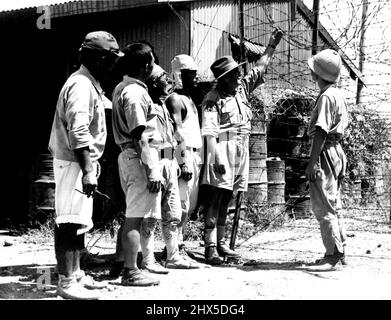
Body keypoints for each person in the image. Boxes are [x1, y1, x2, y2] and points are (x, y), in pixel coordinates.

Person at [48, 31, 123, 299]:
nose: (114, 64)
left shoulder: (88, 82)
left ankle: (77, 274)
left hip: (80, 161)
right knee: (69, 221)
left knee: (79, 220)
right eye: (112, 58)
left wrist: (90, 165)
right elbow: (78, 131)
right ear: (101, 58)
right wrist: (89, 169)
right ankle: (67, 281)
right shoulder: (80, 85)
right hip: (73, 162)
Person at [201, 28, 283, 265]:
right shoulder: (213, 99)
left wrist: (271, 45)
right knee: (215, 197)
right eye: (234, 73)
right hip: (222, 148)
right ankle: (210, 247)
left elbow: (260, 67)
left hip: (241, 146)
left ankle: (222, 243)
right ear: (223, 78)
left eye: (238, 72)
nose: (239, 75)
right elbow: (209, 132)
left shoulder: (241, 90)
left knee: (228, 196)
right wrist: (215, 159)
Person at [142, 63, 203, 269]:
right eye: (164, 80)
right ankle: (147, 259)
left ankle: (173, 254)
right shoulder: (157, 104)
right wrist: (182, 161)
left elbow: (174, 136)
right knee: (152, 215)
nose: (168, 83)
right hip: (158, 161)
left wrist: (177, 161)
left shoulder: (162, 106)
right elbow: (146, 140)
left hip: (170, 161)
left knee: (175, 212)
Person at [305, 49, 348, 271]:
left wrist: (312, 162)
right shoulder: (338, 94)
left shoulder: (326, 97)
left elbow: (321, 131)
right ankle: (340, 252)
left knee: (324, 205)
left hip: (325, 151)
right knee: (335, 203)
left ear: (318, 73)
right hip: (337, 150)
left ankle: (333, 253)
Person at [167, 54, 203, 251]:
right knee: (180, 203)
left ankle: (179, 242)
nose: (196, 78)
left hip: (195, 154)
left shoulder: (189, 99)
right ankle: (173, 247)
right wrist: (183, 162)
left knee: (190, 204)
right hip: (184, 155)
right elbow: (177, 132)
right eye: (192, 74)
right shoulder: (175, 99)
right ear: (180, 75)